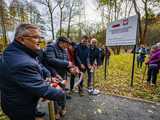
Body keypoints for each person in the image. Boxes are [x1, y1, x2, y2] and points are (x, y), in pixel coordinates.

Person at [0, 24, 65, 120]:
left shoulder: (16, 51)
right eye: (35, 37)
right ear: (21, 39)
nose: (40, 40)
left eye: (40, 37)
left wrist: (48, 75)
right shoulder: (22, 63)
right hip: (20, 108)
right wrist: (60, 91)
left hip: (15, 97)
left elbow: (38, 65)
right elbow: (43, 90)